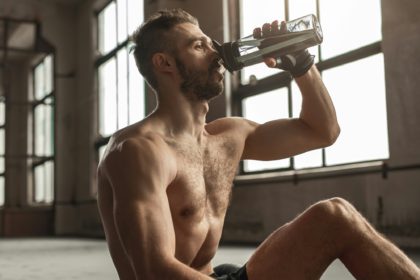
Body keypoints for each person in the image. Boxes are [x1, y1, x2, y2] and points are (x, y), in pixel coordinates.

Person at [96, 8, 420, 280]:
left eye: (212, 44)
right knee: (333, 216)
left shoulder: (227, 136)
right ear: (164, 63)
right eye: (199, 46)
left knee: (336, 217)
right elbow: (154, 272)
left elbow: (323, 131)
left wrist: (301, 64)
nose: (216, 53)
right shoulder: (138, 151)